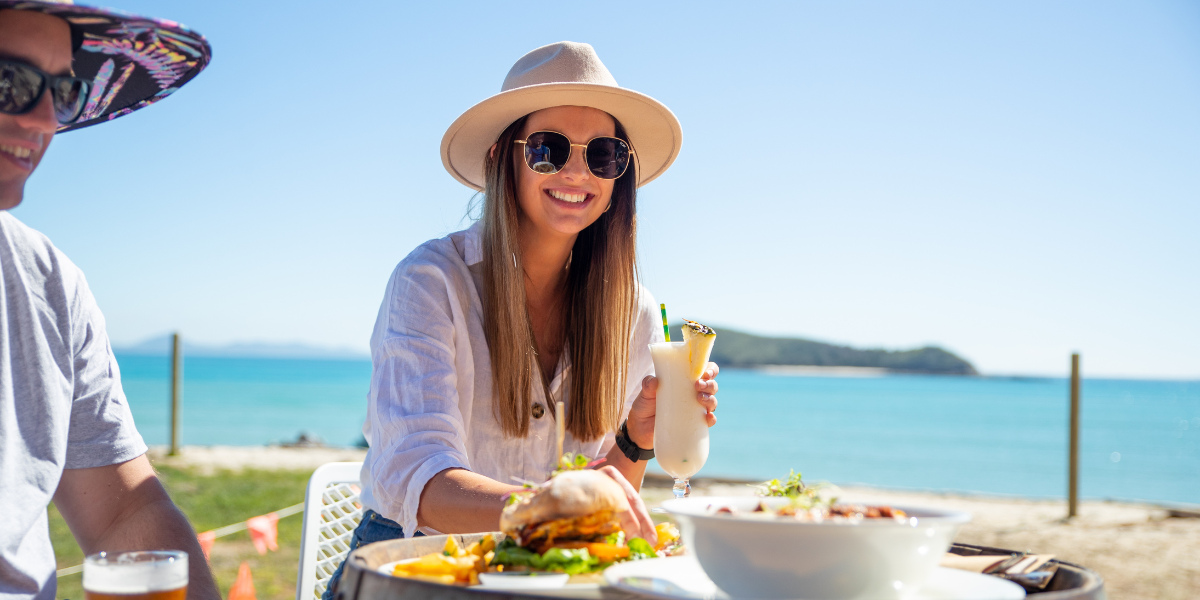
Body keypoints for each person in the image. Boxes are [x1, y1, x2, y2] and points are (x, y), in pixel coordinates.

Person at [322, 41, 719, 595]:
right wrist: (547, 507)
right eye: (548, 149)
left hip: (539, 573)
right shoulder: (432, 280)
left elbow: (605, 492)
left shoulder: (634, 309)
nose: (577, 171)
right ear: (499, 158)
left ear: (618, 174)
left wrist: (634, 441)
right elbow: (422, 483)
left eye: (602, 153)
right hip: (415, 566)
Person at [0, 2, 218, 599]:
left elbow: (124, 515)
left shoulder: (48, 284)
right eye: (8, 82)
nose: (46, 119)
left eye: (64, 91)